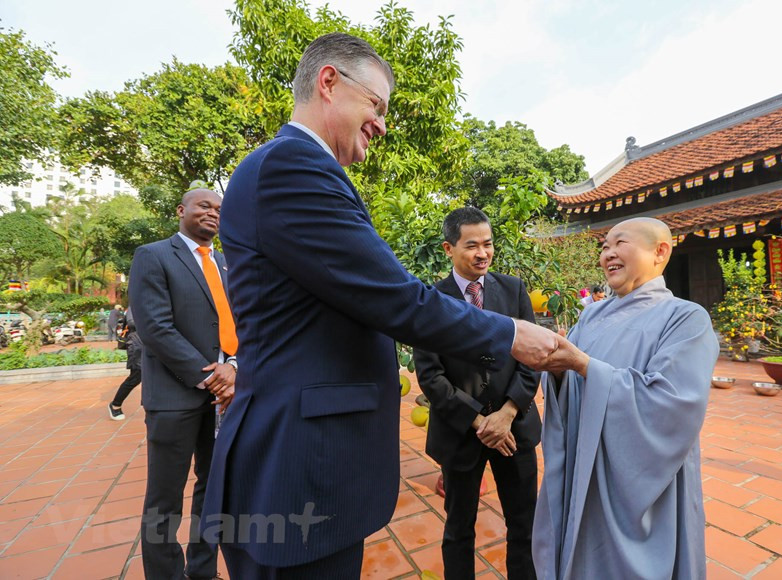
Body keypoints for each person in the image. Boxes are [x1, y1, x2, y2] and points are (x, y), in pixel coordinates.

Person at [201, 32, 568, 578]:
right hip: (299, 463)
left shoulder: (297, 169)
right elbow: (394, 298)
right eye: (376, 104)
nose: (382, 123)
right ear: (329, 82)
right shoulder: (294, 168)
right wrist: (512, 335)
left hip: (305, 453)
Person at [532, 217, 719, 579]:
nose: (608, 254)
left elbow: (672, 403)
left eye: (620, 243)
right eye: (604, 246)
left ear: (659, 251)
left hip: (641, 475)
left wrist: (586, 367)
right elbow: (570, 386)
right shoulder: (591, 316)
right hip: (584, 462)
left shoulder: (684, 318)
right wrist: (556, 373)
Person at [414, 208, 541, 580]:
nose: (482, 253)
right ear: (448, 248)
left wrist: (507, 413)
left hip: (514, 430)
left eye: (488, 244)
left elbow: (532, 359)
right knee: (458, 530)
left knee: (525, 525)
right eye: (472, 246)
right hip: (460, 434)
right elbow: (430, 374)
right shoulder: (429, 301)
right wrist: (479, 420)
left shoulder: (514, 290)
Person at [128, 188, 237, 580]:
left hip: (223, 399)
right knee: (165, 499)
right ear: (182, 210)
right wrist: (213, 377)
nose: (213, 213)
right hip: (175, 397)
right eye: (204, 205)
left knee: (213, 490)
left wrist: (235, 367)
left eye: (219, 210)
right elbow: (155, 327)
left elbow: (236, 323)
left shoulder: (226, 263)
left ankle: (202, 571)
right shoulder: (153, 255)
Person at [108, 307, 141, 421]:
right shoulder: (135, 304)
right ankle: (115, 404)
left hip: (150, 345)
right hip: (137, 346)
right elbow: (132, 323)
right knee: (136, 377)